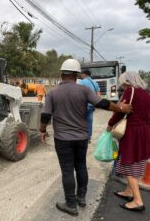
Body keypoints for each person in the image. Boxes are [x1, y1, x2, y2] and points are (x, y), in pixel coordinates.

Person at [39, 58, 132, 216]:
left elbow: (46, 115)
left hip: (62, 139)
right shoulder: (84, 91)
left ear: (62, 74)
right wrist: (121, 108)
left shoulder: (53, 92)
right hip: (82, 137)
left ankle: (70, 204)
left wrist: (42, 130)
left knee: (67, 170)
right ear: (77, 75)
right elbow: (103, 103)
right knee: (81, 166)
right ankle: (81, 198)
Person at [107, 71, 150, 212]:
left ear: (127, 81)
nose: (122, 85)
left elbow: (120, 111)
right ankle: (128, 192)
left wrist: (110, 124)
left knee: (129, 162)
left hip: (132, 132)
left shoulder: (130, 91)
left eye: (123, 82)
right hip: (144, 131)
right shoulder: (145, 93)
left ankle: (138, 201)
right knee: (138, 160)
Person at [78, 69, 101, 142]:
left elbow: (78, 93)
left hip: (82, 105)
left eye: (81, 74)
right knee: (89, 121)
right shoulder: (95, 83)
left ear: (84, 74)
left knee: (80, 121)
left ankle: (81, 137)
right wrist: (96, 103)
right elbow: (98, 94)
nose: (81, 75)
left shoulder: (81, 82)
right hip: (91, 105)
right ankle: (88, 138)